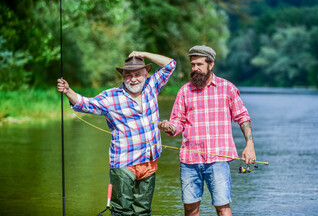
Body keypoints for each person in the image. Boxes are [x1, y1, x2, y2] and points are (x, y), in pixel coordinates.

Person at [57, 52, 176, 216]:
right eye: (129, 75)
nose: (133, 79)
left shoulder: (152, 86)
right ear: (123, 76)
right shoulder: (111, 96)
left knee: (143, 212)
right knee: (122, 212)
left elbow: (170, 65)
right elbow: (85, 104)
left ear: (146, 74)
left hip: (149, 161)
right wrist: (68, 91)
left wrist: (143, 54)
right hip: (124, 163)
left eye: (138, 74)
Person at [158, 45, 256, 216]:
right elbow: (177, 122)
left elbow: (243, 117)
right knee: (190, 208)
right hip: (190, 161)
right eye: (192, 65)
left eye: (199, 64)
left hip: (218, 160)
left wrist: (249, 145)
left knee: (222, 207)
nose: (195, 69)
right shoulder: (184, 91)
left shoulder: (227, 88)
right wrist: (169, 127)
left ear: (211, 65)